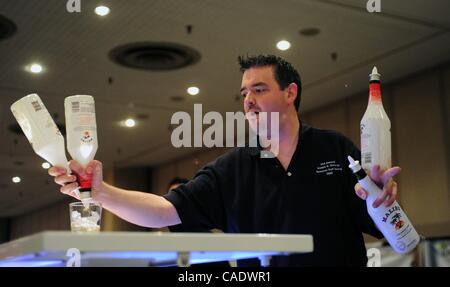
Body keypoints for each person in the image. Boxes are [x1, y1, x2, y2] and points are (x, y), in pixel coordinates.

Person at [49, 55, 401, 266]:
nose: (248, 100)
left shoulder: (334, 150)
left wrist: (383, 201)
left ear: (290, 92)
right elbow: (164, 210)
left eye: (259, 89)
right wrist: (101, 191)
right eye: (244, 92)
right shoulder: (232, 169)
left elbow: (382, 221)